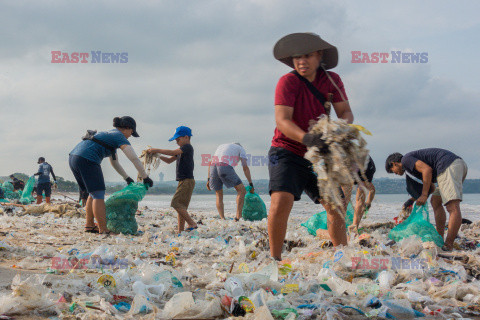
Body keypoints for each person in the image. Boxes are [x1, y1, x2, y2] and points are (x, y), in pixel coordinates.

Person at [269, 32, 354, 260]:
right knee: (281, 200)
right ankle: (275, 259)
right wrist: (307, 138)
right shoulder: (287, 82)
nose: (301, 61)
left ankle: (341, 256)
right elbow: (283, 120)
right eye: (297, 57)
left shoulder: (332, 80)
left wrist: (337, 130)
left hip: (319, 155)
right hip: (286, 149)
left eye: (307, 55)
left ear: (319, 56)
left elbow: (345, 112)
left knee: (336, 206)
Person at [69, 116, 153, 234]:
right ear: (127, 128)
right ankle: (103, 229)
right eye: (131, 132)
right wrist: (145, 177)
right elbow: (134, 158)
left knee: (92, 193)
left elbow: (114, 163)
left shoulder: (109, 135)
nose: (130, 136)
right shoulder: (118, 136)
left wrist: (127, 178)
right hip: (88, 159)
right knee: (98, 194)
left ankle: (89, 225)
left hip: (74, 157)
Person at [385, 148, 468, 251]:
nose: (395, 174)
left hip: (449, 166)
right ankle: (440, 238)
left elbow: (427, 170)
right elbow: (431, 187)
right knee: (435, 201)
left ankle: (448, 244)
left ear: (394, 164)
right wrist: (412, 200)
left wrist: (424, 195)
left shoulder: (405, 160)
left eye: (393, 171)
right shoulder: (411, 167)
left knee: (452, 206)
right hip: (454, 166)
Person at [147, 126, 197, 233]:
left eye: (178, 139)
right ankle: (180, 230)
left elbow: (172, 152)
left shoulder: (187, 147)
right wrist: (158, 155)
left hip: (187, 180)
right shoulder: (181, 151)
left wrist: (156, 149)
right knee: (181, 207)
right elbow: (169, 160)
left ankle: (192, 223)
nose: (176, 142)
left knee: (175, 203)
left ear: (186, 137)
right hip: (184, 181)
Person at [206, 143, 254, 221]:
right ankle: (238, 217)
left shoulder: (221, 146)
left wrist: (208, 179)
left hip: (213, 167)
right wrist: (250, 183)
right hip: (224, 165)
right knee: (242, 190)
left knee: (218, 194)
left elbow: (210, 162)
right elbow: (245, 168)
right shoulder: (241, 148)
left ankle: (222, 218)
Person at [347, 156, 376, 233]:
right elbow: (372, 190)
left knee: (358, 199)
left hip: (364, 165)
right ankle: (354, 225)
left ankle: (354, 226)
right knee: (357, 199)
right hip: (363, 163)